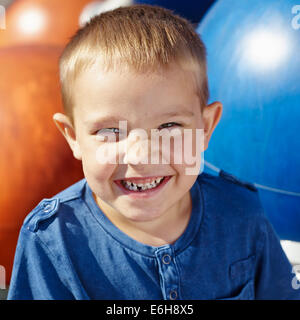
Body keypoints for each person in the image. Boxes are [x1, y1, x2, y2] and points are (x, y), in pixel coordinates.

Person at [7, 5, 300, 300]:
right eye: (111, 132)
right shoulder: (52, 239)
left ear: (206, 127)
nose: (141, 156)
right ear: (74, 137)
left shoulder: (241, 215)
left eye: (168, 126)